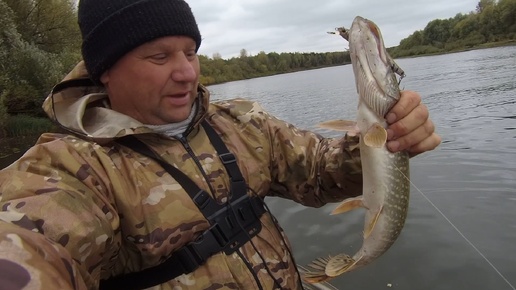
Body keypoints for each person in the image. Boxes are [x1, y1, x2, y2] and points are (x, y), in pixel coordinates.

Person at [0, 0, 441, 289]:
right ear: (105, 71)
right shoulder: (66, 171)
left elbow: (323, 174)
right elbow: (27, 244)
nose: (188, 72)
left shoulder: (241, 125)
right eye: (159, 57)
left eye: (190, 52)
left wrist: (386, 142)